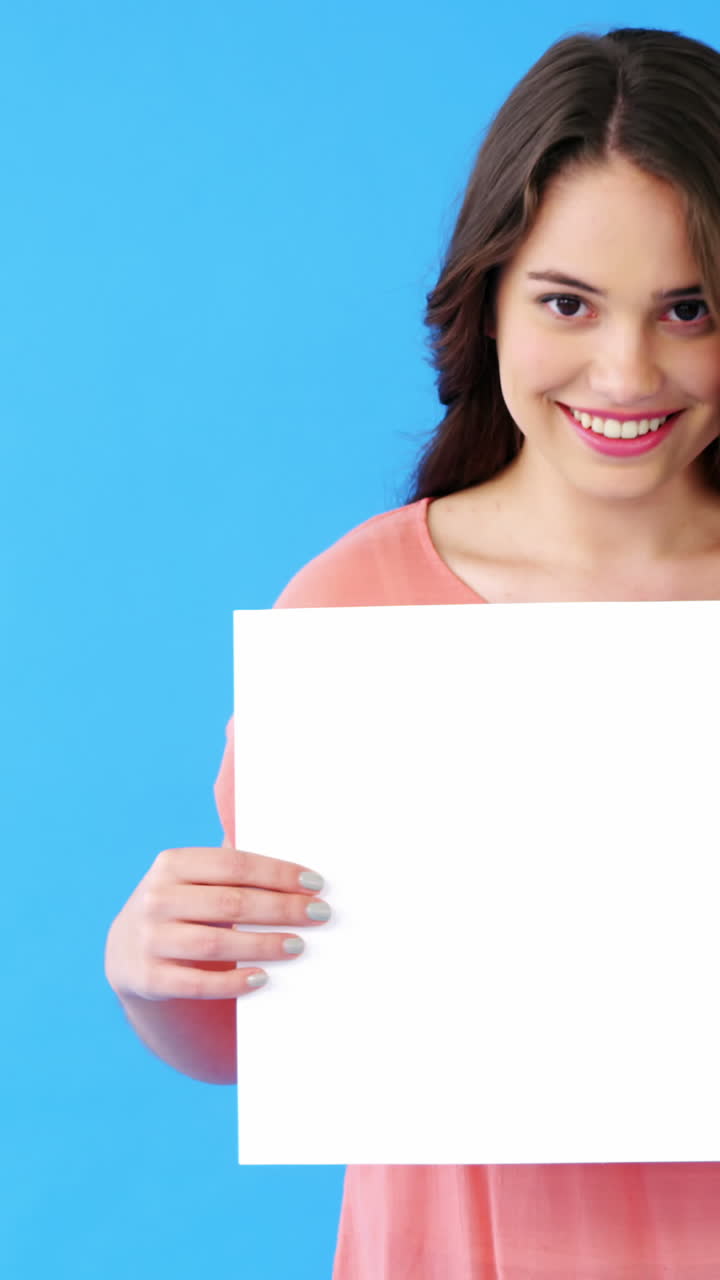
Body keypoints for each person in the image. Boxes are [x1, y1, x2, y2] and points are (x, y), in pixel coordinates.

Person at [104, 24, 720, 1278]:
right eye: (567, 301)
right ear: (488, 295)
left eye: (689, 307)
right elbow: (263, 1022)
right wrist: (153, 971)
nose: (626, 366)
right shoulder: (354, 609)